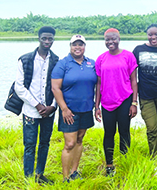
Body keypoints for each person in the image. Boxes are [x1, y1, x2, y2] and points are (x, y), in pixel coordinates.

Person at [14, 26, 58, 184]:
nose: (47, 41)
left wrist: (53, 106)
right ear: (39, 38)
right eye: (44, 38)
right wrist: (37, 105)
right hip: (31, 110)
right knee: (30, 144)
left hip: (50, 111)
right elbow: (19, 87)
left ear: (53, 40)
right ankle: (28, 178)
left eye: (50, 39)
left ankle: (39, 174)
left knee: (45, 143)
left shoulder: (56, 60)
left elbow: (58, 87)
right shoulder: (25, 59)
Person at [51, 35, 97, 182]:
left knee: (79, 139)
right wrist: (64, 109)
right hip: (69, 110)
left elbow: (98, 85)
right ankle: (65, 177)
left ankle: (74, 172)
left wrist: (97, 105)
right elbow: (55, 88)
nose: (78, 47)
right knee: (69, 143)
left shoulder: (91, 63)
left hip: (86, 109)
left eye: (81, 45)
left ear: (85, 46)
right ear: (70, 46)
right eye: (74, 45)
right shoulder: (63, 64)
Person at [94, 28, 138, 176]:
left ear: (119, 39)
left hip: (125, 100)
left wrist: (134, 103)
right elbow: (99, 83)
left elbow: (133, 81)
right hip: (107, 102)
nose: (110, 42)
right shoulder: (101, 59)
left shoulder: (128, 56)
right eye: (107, 39)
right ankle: (109, 165)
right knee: (109, 133)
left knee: (124, 132)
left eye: (113, 39)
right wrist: (97, 106)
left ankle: (125, 162)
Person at [132, 24, 157, 160]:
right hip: (145, 95)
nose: (153, 37)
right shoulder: (138, 50)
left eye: (156, 34)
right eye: (150, 34)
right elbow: (131, 72)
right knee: (152, 127)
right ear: (147, 35)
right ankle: (155, 159)